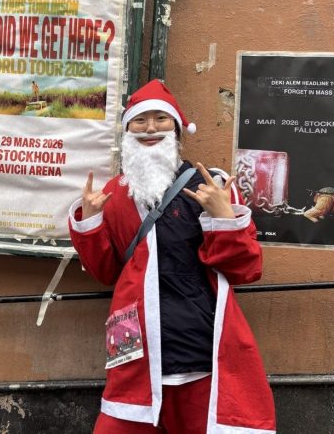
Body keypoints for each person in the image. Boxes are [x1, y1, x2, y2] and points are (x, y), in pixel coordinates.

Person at [69, 79, 276, 434]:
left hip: (199, 346)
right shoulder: (113, 194)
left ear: (177, 128)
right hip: (135, 349)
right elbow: (107, 273)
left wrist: (224, 217)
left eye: (160, 119)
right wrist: (90, 222)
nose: (150, 128)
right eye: (140, 120)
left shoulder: (212, 186)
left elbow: (246, 269)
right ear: (127, 130)